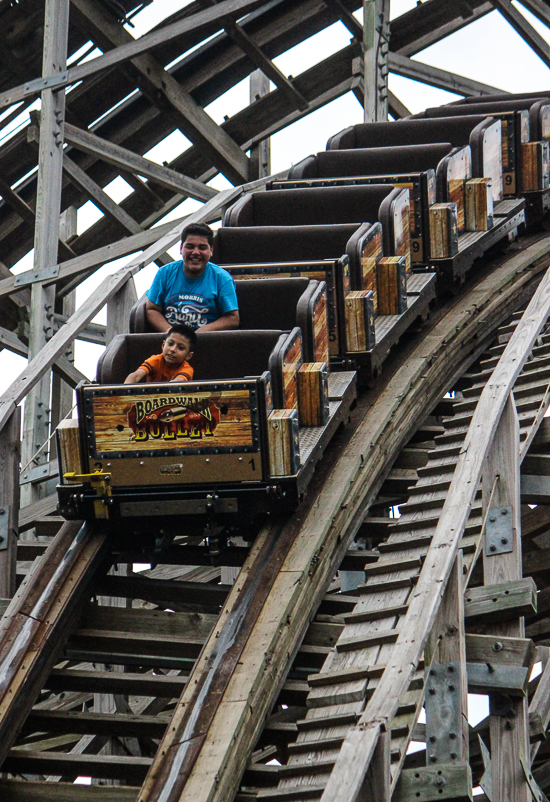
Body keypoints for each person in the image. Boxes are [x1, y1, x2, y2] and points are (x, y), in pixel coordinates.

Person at [145, 223, 239, 332]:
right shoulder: (164, 273)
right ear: (181, 248)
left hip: (206, 341)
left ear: (211, 251)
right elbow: (152, 309)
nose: (195, 252)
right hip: (170, 342)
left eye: (202, 248)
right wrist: (171, 333)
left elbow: (232, 318)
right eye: (190, 247)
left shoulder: (222, 278)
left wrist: (199, 333)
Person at [124, 323, 196, 384]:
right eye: (170, 344)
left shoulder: (187, 369)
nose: (172, 349)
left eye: (180, 348)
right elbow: (135, 376)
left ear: (188, 355)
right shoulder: (155, 360)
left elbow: (178, 382)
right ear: (163, 345)